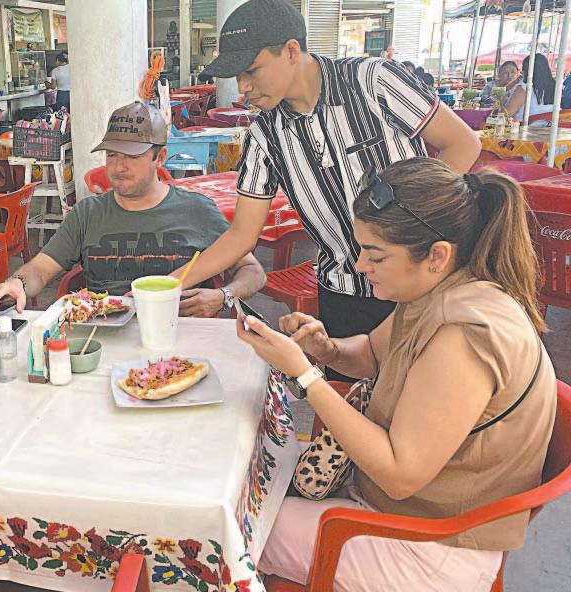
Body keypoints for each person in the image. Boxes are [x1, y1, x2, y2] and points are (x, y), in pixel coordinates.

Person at [237, 157, 556, 591]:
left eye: (376, 255)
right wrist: (325, 349)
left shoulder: (464, 335)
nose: (359, 265)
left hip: (430, 547)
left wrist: (306, 376)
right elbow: (372, 353)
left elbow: (399, 474)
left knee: (228, 528)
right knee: (248, 482)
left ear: (437, 255)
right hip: (396, 509)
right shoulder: (436, 290)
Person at [176, 0, 480, 379]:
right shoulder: (265, 136)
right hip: (344, 292)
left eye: (251, 70)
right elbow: (241, 235)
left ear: (291, 51)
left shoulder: (374, 81)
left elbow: (462, 144)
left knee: (428, 398)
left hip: (423, 283)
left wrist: (412, 230)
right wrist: (167, 286)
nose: (243, 86)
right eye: (237, 75)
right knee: (350, 402)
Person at [0, 102, 266, 317]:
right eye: (112, 154)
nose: (118, 166)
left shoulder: (197, 210)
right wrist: (16, 283)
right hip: (103, 338)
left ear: (160, 158)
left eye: (132, 156)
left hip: (179, 337)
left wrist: (224, 295)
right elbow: (41, 269)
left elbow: (253, 271)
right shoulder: (87, 213)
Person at [509, 53, 555, 124]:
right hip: (550, 128)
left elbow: (506, 113)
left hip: (525, 128)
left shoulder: (524, 88)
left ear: (526, 71)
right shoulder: (555, 87)